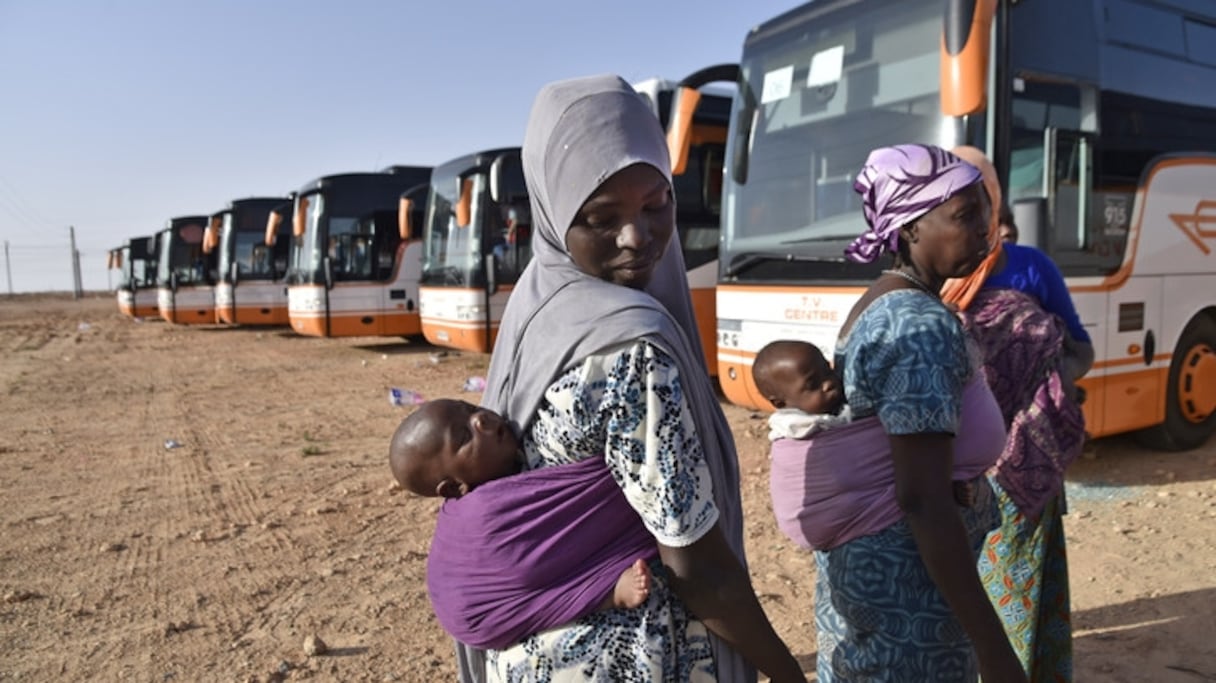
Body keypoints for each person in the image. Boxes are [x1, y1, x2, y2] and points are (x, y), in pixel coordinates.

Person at [439, 74, 804, 682]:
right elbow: (699, 567)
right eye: (601, 218)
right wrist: (787, 674)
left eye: (656, 205)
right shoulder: (631, 348)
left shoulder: (538, 301)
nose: (638, 237)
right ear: (556, 214)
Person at [817, 143, 1026, 682]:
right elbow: (923, 498)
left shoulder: (880, 301)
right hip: (909, 596)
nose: (987, 228)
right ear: (909, 227)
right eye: (965, 216)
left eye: (987, 212)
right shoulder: (920, 325)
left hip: (871, 576)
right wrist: (994, 649)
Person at [942, 146, 1091, 681]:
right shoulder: (932, 278)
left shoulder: (1032, 267)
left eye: (975, 196)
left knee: (1025, 590)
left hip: (1026, 457)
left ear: (994, 197)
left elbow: (1079, 348)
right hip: (956, 466)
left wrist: (1036, 371)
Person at [387, 399, 653, 631]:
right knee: (546, 599)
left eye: (469, 408)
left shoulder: (523, 463)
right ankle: (607, 594)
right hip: (485, 613)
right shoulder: (484, 518)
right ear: (455, 487)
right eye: (464, 437)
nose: (479, 419)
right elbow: (529, 564)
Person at [754, 339, 975, 552]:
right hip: (847, 536)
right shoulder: (796, 429)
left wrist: (945, 483)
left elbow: (887, 471)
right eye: (813, 384)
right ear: (780, 403)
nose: (829, 382)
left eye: (828, 370)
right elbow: (885, 458)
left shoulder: (839, 410)